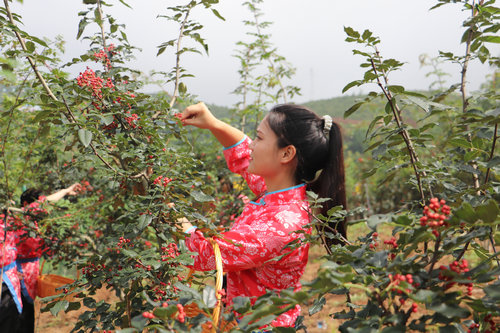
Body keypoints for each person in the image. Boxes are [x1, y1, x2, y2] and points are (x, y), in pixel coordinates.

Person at [177, 102, 346, 329]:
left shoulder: (281, 225)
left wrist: (170, 213)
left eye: (259, 138)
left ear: (286, 153)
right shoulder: (279, 191)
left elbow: (205, 255)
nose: (252, 146)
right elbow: (242, 153)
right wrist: (214, 124)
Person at [14, 183, 82, 333]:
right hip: (19, 274)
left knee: (26, 311)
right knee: (21, 313)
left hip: (29, 273)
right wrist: (65, 191)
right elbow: (38, 244)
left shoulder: (31, 222)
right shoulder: (21, 222)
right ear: (26, 204)